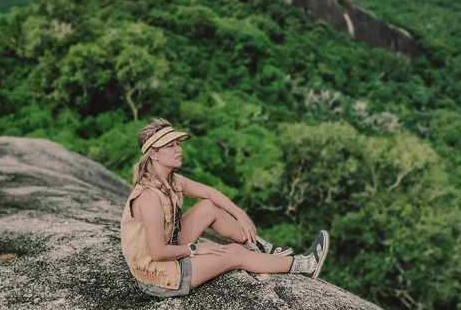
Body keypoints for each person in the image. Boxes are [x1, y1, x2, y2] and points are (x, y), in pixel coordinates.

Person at [120, 117, 329, 298]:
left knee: (209, 207)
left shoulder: (169, 180)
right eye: (170, 146)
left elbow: (211, 193)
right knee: (235, 254)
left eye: (177, 144)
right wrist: (195, 248)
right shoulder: (149, 197)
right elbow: (157, 252)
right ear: (154, 155)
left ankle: (260, 247)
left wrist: (240, 215)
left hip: (170, 246)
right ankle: (305, 265)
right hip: (159, 275)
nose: (178, 149)